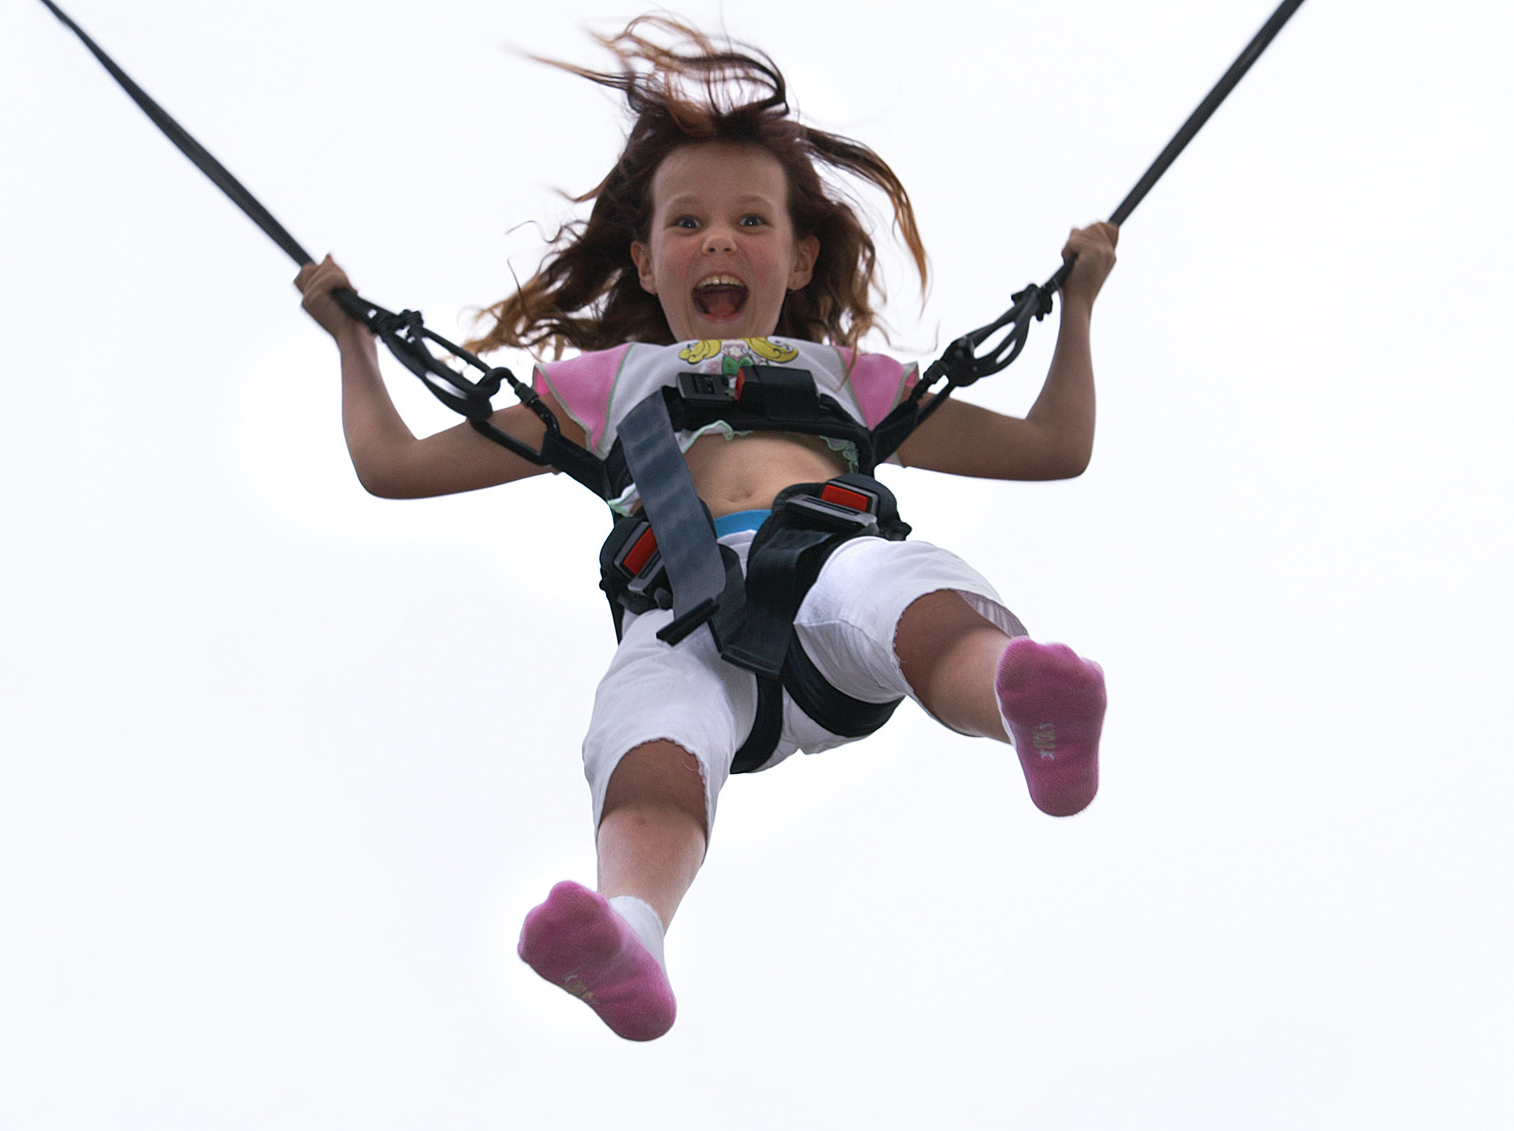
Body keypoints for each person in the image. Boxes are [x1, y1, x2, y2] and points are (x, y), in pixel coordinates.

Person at [295, 17, 1118, 1042]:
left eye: (748, 221)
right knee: (642, 727)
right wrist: (353, 344)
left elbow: (1052, 444)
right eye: (686, 225)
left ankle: (1018, 698)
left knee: (892, 585)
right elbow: (395, 466)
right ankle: (632, 933)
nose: (718, 239)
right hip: (683, 612)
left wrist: (1075, 307)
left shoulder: (847, 379)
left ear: (800, 251)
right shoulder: (596, 389)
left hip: (826, 569)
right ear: (643, 261)